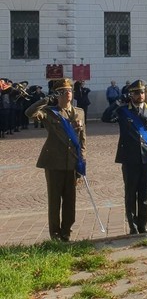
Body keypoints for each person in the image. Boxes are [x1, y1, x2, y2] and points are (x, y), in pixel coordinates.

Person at [26, 78, 86, 241]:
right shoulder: (48, 112)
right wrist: (46, 99)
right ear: (57, 94)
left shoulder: (79, 112)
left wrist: (82, 161)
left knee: (70, 199)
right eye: (64, 91)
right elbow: (29, 113)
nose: (68, 93)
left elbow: (82, 139)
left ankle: (67, 230)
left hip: (72, 162)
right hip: (54, 161)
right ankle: (55, 233)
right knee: (54, 199)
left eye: (70, 90)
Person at [102, 79, 147, 234]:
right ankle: (132, 225)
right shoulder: (123, 110)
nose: (140, 95)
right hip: (129, 158)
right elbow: (105, 117)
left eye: (141, 92)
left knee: (144, 194)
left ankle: (143, 224)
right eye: (135, 93)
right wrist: (118, 102)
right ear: (130, 95)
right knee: (130, 193)